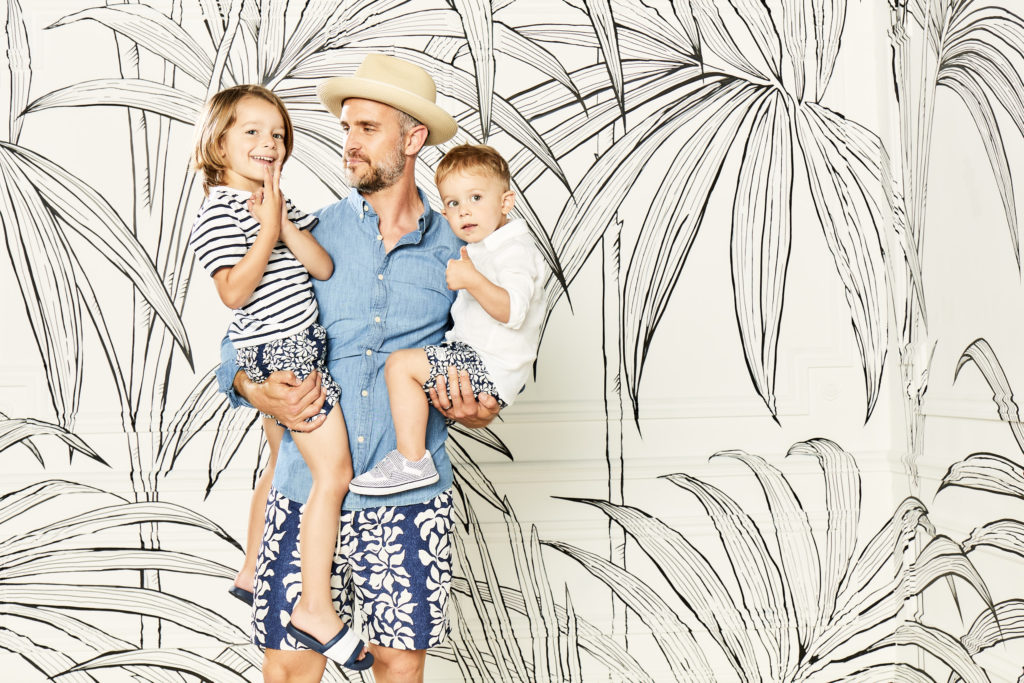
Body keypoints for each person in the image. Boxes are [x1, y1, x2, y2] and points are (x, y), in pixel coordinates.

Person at [215, 54, 501, 683]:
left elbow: (491, 354)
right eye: (347, 128)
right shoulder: (302, 232)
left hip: (408, 498)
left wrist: (482, 408)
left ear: (413, 137)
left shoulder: (462, 247)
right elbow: (238, 348)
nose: (350, 143)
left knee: (399, 670)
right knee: (291, 669)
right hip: (302, 489)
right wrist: (253, 388)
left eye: (368, 128)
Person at [190, 84, 371, 671]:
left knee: (283, 466)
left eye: (277, 134)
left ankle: (249, 569)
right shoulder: (218, 210)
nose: (268, 144)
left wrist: (282, 221)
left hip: (300, 349)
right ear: (218, 141)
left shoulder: (278, 203)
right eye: (251, 132)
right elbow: (233, 292)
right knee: (333, 471)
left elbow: (322, 264)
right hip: (282, 356)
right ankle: (315, 610)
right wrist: (267, 229)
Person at [349, 144, 545, 496]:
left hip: (486, 368)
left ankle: (413, 461)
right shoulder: (486, 245)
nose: (464, 211)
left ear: (505, 202)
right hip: (480, 364)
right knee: (403, 367)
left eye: (475, 198)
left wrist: (472, 280)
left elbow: (513, 312)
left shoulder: (514, 250)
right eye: (454, 204)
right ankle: (408, 457)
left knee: (399, 366)